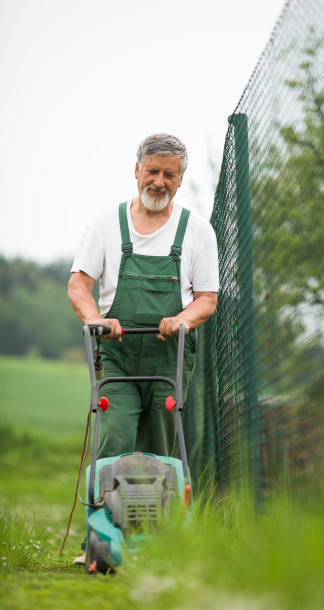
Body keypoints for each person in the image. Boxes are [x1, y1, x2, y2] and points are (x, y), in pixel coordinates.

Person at [68, 133, 219, 564]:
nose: (159, 181)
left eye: (169, 174)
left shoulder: (196, 231)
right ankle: (98, 545)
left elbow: (207, 297)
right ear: (136, 171)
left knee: (161, 448)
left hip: (167, 356)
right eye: (152, 171)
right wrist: (95, 320)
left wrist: (182, 319)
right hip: (115, 354)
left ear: (180, 179)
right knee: (113, 438)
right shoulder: (106, 224)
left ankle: (157, 544)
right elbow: (79, 283)